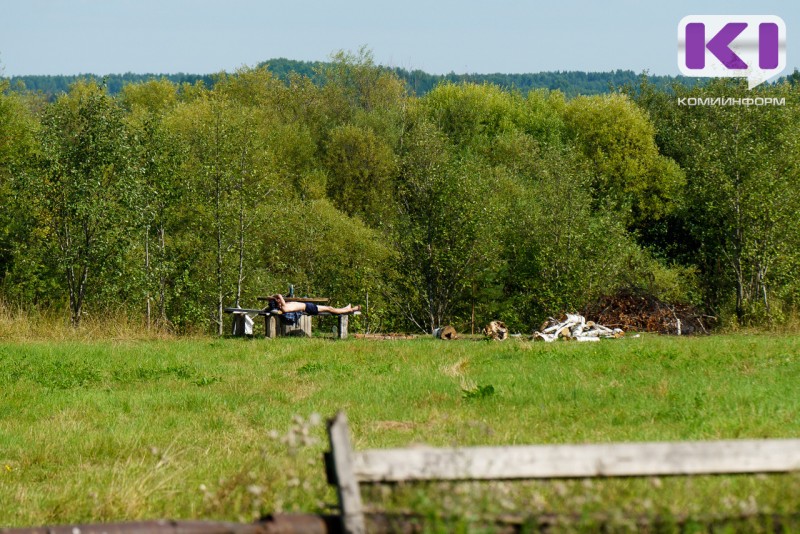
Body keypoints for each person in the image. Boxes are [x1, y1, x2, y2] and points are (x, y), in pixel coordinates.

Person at [265, 294, 361, 316]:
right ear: (277, 303)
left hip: (307, 307)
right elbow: (279, 295)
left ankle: (346, 309)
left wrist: (272, 300)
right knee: (329, 308)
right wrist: (273, 297)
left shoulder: (283, 307)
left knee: (329, 308)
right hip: (308, 308)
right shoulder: (284, 307)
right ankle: (350, 310)